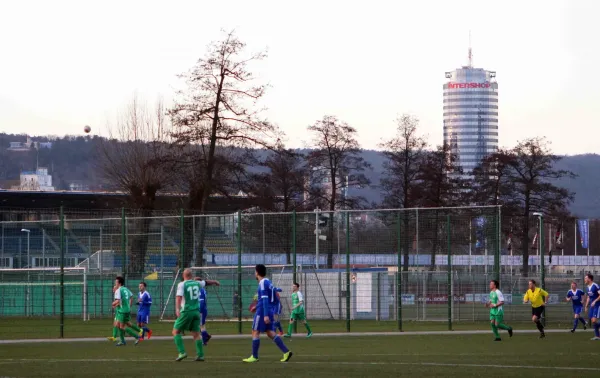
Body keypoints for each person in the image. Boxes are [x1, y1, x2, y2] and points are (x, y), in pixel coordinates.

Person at [243, 264, 292, 363]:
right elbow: (270, 296)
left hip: (262, 311)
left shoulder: (262, 283)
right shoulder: (267, 281)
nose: (254, 273)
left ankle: (254, 356)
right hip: (268, 309)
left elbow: (265, 300)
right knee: (270, 333)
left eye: (255, 271)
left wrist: (264, 315)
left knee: (255, 331)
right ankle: (286, 351)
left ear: (257, 272)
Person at [173, 269, 206, 361]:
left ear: (183, 275)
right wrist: (215, 282)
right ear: (191, 275)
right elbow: (206, 282)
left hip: (186, 311)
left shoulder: (182, 284)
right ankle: (200, 355)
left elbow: (179, 297)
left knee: (175, 331)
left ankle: (182, 352)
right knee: (196, 334)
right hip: (196, 312)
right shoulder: (197, 283)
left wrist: (177, 309)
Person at [112, 276, 142, 346]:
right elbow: (131, 296)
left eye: (116, 282)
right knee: (118, 325)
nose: (115, 283)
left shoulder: (118, 290)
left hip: (122, 311)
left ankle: (137, 337)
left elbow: (118, 300)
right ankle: (122, 341)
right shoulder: (125, 289)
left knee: (122, 327)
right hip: (126, 310)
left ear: (119, 283)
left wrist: (113, 303)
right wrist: (129, 304)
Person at [195, 277, 220, 346]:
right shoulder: (201, 290)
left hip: (201, 309)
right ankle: (206, 336)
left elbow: (201, 301)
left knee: (201, 326)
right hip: (202, 309)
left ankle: (204, 341)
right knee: (200, 325)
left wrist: (200, 310)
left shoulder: (200, 290)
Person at [584, 273, 600, 340]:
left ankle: (597, 336)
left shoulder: (595, 285)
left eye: (585, 278)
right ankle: (597, 336)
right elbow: (588, 297)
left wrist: (595, 301)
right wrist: (586, 306)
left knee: (594, 320)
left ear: (589, 279)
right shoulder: (587, 287)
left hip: (597, 305)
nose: (584, 279)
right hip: (592, 306)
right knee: (593, 321)